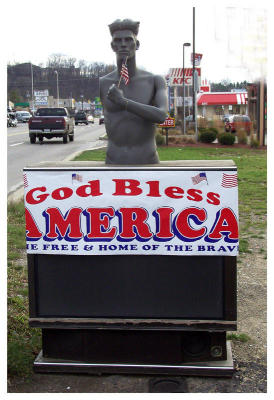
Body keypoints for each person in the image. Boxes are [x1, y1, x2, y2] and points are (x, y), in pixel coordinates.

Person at [99, 19, 168, 164]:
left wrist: (124, 102)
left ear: (137, 44)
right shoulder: (104, 83)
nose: (123, 44)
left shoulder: (154, 80)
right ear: (112, 46)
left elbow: (162, 115)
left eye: (128, 39)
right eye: (118, 40)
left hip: (147, 161)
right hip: (113, 161)